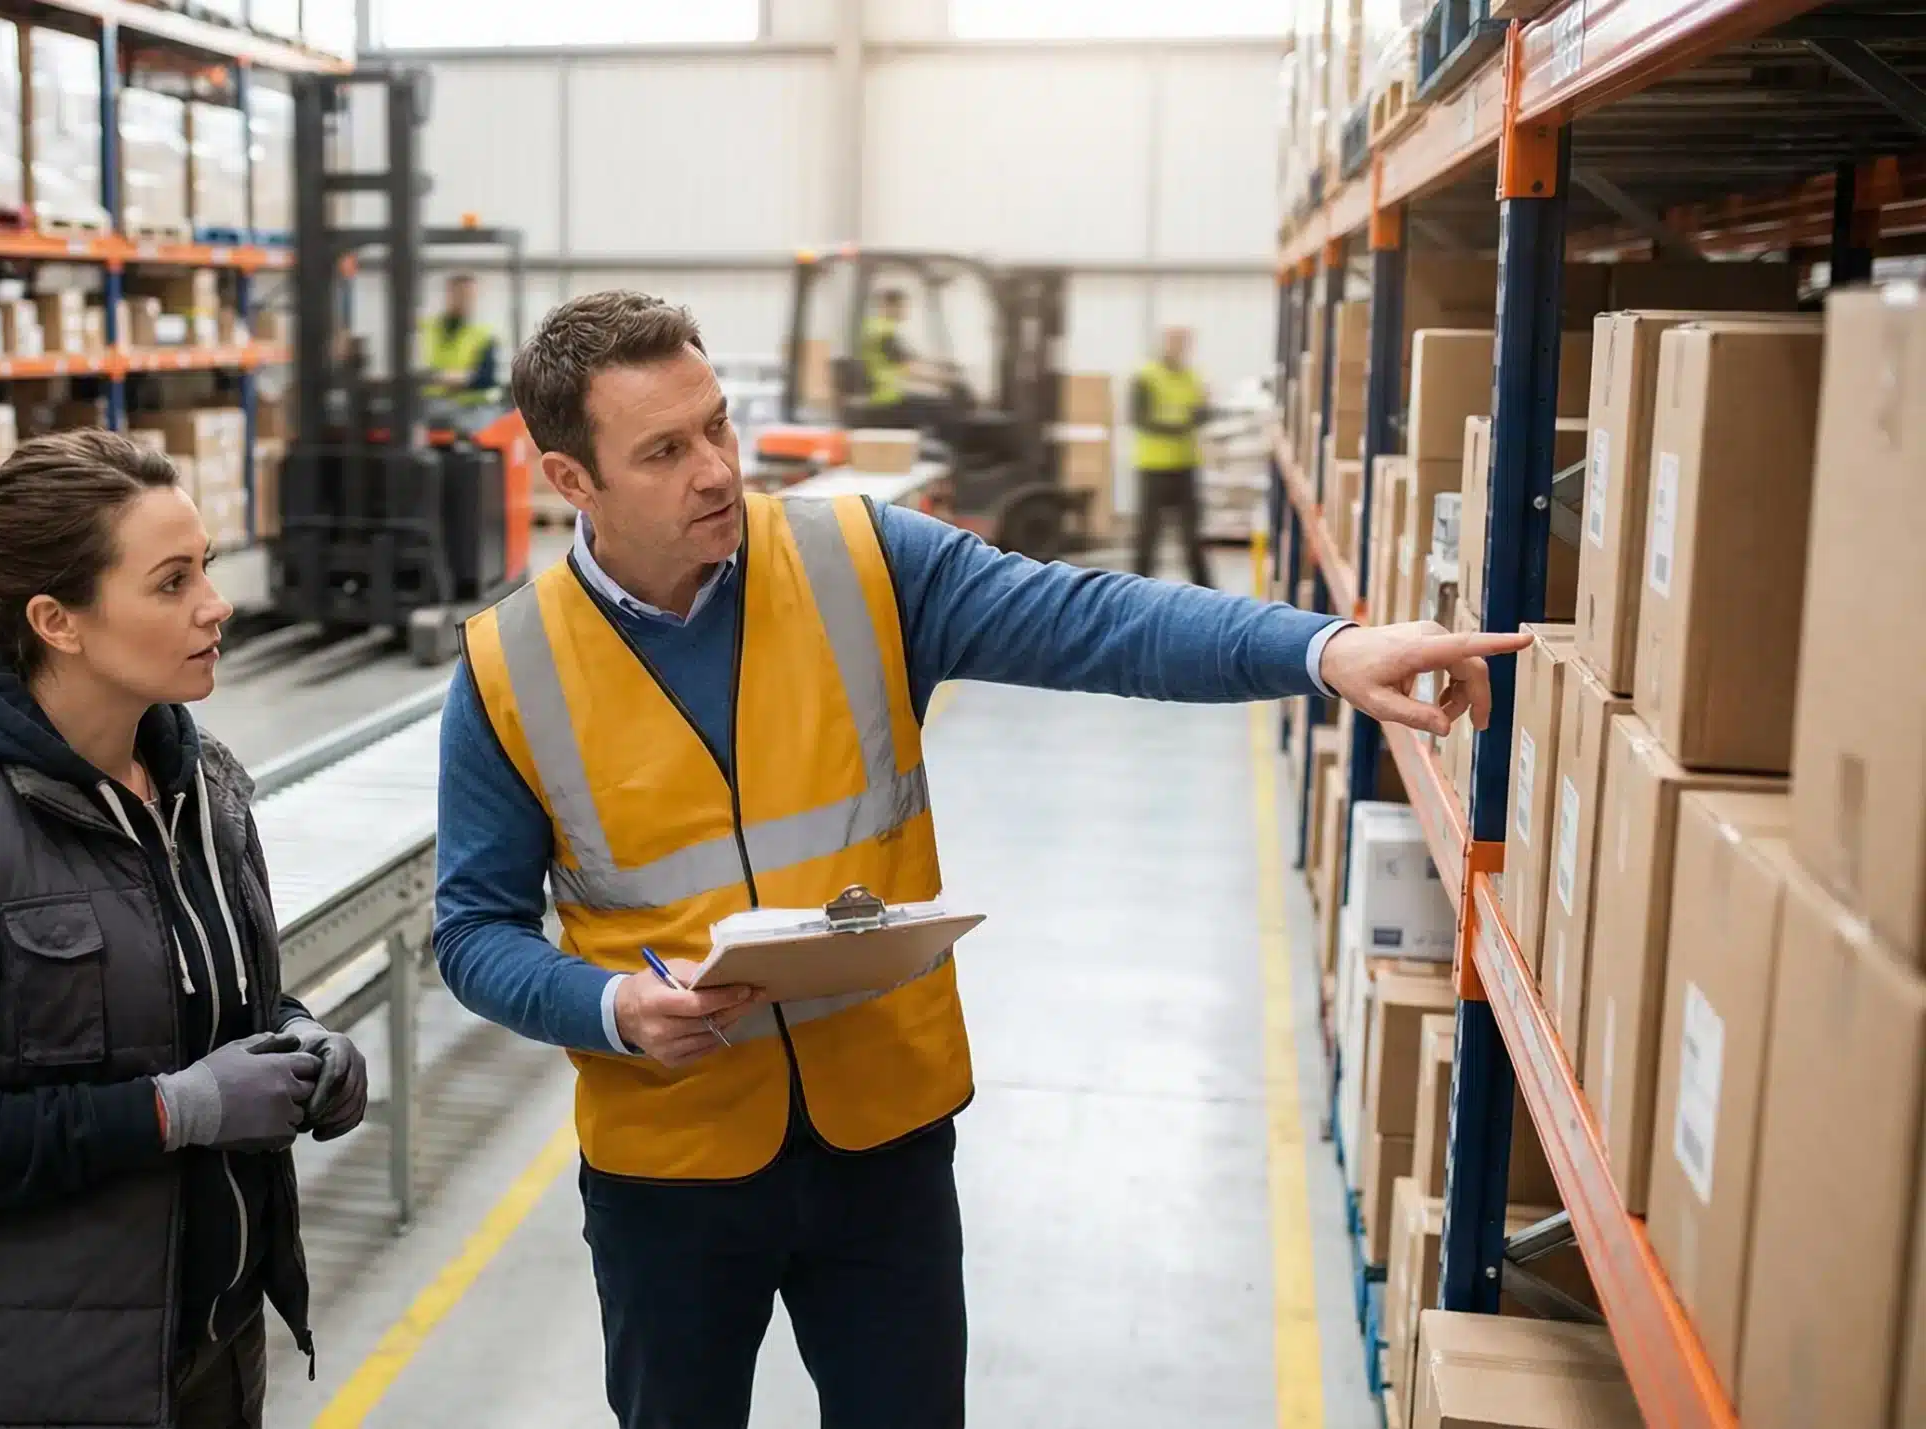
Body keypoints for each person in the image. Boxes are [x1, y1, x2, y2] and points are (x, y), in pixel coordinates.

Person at [433, 289, 1527, 1429]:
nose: (715, 471)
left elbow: (1096, 619)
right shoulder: (511, 667)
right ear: (571, 480)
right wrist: (607, 1005)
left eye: (716, 425)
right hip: (669, 1165)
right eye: (663, 450)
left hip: (883, 1140)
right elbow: (472, 932)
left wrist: (1322, 648)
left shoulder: (857, 562)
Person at [0, 429, 368, 1429]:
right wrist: (175, 1111)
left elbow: (208, 1002)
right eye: (171, 582)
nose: (216, 603)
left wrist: (304, 1043)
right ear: (57, 621)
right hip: (34, 1385)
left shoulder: (199, 785)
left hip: (202, 1345)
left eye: (204, 566)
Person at [1131, 325, 1215, 587]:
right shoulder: (1146, 377)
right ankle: (1136, 588)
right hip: (1153, 466)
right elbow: (1139, 418)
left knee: (1192, 537)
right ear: (1164, 343)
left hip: (1185, 465)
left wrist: (1199, 416)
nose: (1178, 347)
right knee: (1148, 536)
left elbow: (1203, 412)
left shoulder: (1193, 377)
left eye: (1183, 342)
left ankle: (1205, 592)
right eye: (1174, 342)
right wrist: (1181, 425)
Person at [419, 272, 501, 405]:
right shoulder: (427, 329)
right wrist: (446, 377)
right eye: (460, 294)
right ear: (449, 295)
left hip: (474, 405)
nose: (465, 300)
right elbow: (414, 369)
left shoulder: (485, 333)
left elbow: (487, 378)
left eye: (470, 296)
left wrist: (460, 379)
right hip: (433, 404)